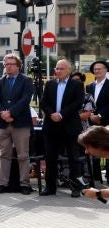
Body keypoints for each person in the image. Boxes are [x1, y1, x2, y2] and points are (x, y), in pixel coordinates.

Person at [39, 59, 85, 197]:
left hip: (70, 126)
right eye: (57, 68)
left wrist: (61, 114)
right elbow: (43, 102)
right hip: (51, 126)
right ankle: (50, 187)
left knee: (73, 158)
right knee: (50, 158)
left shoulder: (76, 84)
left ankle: (76, 187)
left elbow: (78, 102)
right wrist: (51, 114)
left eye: (61, 68)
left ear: (69, 70)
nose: (58, 71)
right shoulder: (50, 84)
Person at [0, 53, 35, 195]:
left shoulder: (26, 80)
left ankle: (24, 184)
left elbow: (25, 100)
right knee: (4, 154)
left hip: (20, 123)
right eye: (6, 64)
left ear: (18, 66)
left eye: (11, 64)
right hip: (3, 123)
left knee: (23, 155)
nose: (8, 67)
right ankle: (3, 184)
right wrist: (2, 113)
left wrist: (11, 113)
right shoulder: (1, 81)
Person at [86, 60, 109, 183]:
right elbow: (88, 103)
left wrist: (100, 115)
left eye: (100, 68)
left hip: (107, 121)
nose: (97, 71)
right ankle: (95, 176)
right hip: (92, 121)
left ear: (106, 70)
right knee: (94, 147)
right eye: (95, 69)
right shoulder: (90, 86)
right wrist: (91, 115)